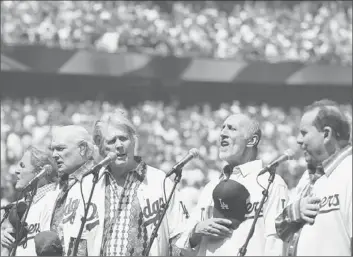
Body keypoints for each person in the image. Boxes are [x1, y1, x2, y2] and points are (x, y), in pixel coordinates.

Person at [176, 113, 288, 256]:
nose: (222, 133)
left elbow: (276, 244)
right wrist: (197, 231)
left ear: (252, 140)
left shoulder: (271, 184)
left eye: (231, 128)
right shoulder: (211, 186)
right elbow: (183, 246)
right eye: (222, 128)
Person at [92, 109, 186, 256]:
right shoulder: (92, 184)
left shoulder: (159, 180)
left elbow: (179, 236)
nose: (119, 145)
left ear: (133, 140)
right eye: (111, 141)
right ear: (102, 148)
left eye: (123, 138)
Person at [275, 99, 352, 256]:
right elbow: (280, 228)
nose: (298, 139)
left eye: (304, 133)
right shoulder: (307, 177)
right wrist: (295, 211)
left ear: (326, 134)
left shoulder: (349, 172)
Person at [38, 125, 101, 256]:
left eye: (60, 149)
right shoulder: (59, 185)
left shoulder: (100, 181)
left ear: (82, 148)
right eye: (53, 149)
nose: (54, 155)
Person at [1, 146, 58, 256]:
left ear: (40, 171)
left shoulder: (55, 199)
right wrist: (5, 240)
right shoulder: (21, 204)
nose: (16, 171)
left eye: (22, 166)